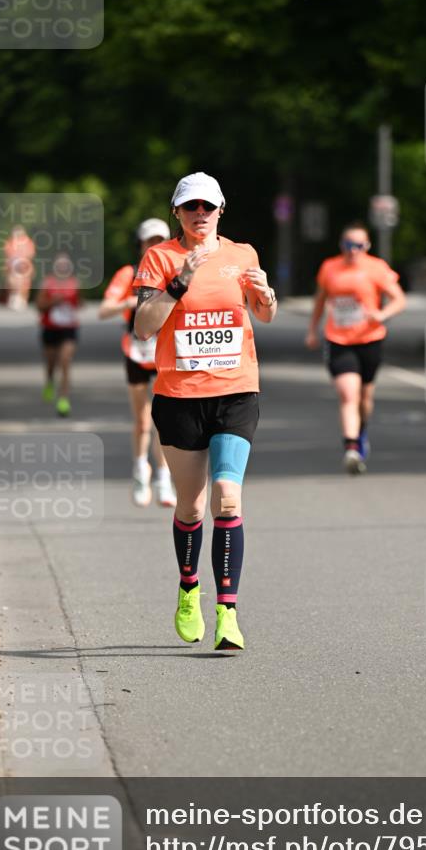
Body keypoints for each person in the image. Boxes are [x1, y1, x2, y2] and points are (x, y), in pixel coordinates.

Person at [133, 172, 277, 651]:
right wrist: (180, 282)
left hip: (236, 391)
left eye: (208, 207)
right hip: (179, 397)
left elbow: (264, 313)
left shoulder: (243, 254)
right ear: (177, 212)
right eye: (190, 207)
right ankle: (189, 589)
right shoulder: (160, 258)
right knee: (192, 505)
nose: (200, 214)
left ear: (220, 211)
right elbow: (143, 327)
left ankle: (228, 614)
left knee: (228, 499)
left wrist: (267, 294)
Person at [306, 222, 406, 473]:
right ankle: (351, 448)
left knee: (365, 397)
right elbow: (320, 300)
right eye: (349, 245)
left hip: (370, 339)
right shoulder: (330, 268)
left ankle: (361, 432)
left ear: (367, 246)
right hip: (338, 340)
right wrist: (312, 330)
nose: (353, 250)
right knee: (348, 394)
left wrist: (382, 315)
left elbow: (399, 299)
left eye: (359, 246)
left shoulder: (376, 268)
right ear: (342, 245)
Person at [99, 219, 176, 508]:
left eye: (161, 240)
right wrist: (131, 304)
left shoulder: (175, 273)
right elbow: (103, 310)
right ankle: (140, 470)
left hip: (166, 353)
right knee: (142, 420)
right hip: (136, 352)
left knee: (163, 420)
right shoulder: (129, 274)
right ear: (141, 245)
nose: (155, 246)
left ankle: (163, 478)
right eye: (150, 241)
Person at [36, 251, 82, 417]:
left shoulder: (74, 283)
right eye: (60, 265)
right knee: (51, 363)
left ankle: (63, 399)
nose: (63, 268)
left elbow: (79, 303)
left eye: (65, 265)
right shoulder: (47, 283)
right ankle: (49, 382)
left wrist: (72, 309)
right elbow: (39, 306)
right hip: (50, 329)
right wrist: (53, 302)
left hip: (68, 329)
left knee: (65, 361)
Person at [3, 224, 35, 310]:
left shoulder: (28, 242)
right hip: (13, 267)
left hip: (24, 266)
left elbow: (30, 254)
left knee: (25, 283)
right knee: (12, 282)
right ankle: (13, 298)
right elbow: (8, 254)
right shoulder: (10, 242)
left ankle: (23, 300)